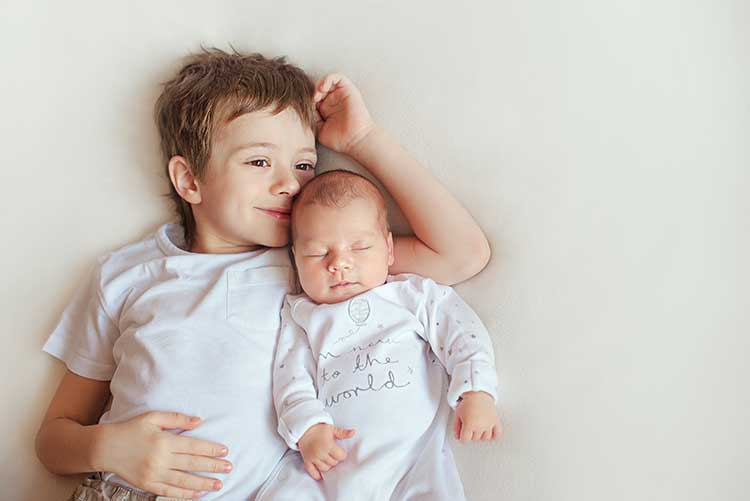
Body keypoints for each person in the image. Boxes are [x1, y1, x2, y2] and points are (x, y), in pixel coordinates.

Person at [35, 49, 491, 500]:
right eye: (259, 162)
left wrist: (362, 139)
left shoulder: (315, 265)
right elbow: (53, 440)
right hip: (120, 490)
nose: (291, 184)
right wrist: (106, 447)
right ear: (190, 180)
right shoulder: (124, 276)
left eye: (304, 164)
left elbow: (461, 255)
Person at [255, 170, 500, 501]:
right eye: (317, 253)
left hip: (414, 460)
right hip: (328, 469)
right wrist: (308, 428)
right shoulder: (301, 317)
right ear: (296, 259)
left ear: (388, 247)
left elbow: (461, 333)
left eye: (359, 247)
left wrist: (476, 390)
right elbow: (289, 381)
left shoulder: (412, 296)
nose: (339, 263)